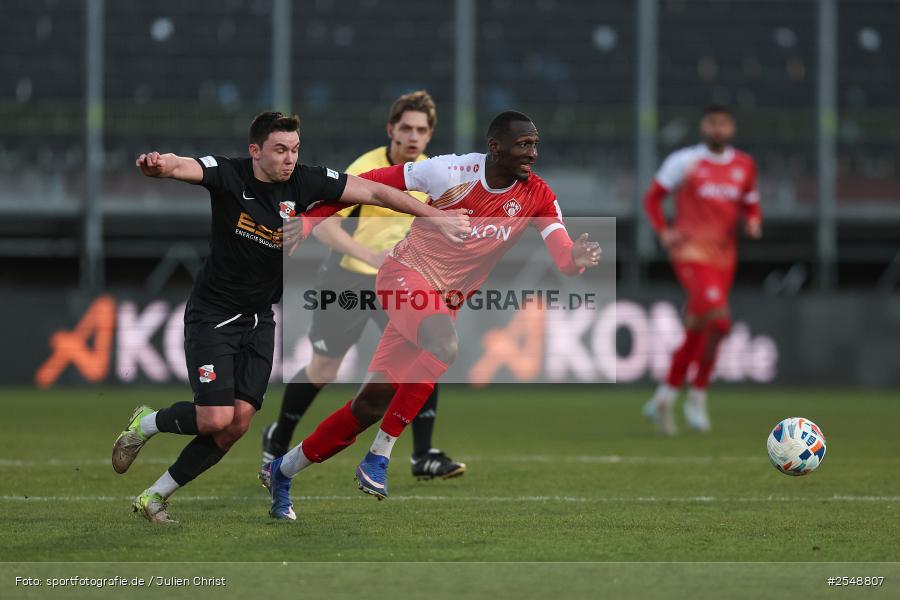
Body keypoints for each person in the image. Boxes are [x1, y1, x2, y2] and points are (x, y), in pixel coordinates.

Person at [111, 111, 469, 523]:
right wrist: (159, 167)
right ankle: (146, 423)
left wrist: (435, 217)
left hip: (261, 317)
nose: (289, 159)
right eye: (280, 150)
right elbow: (182, 165)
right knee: (215, 417)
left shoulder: (307, 180)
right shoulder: (229, 175)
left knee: (236, 424)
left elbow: (376, 194)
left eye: (295, 149)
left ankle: (155, 496)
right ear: (255, 150)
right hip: (213, 313)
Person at [264, 111, 602, 520]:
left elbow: (563, 254)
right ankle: (379, 457)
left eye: (535, 144)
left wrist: (577, 260)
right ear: (495, 147)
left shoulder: (540, 196)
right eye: (524, 144)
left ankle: (282, 470)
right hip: (403, 276)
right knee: (444, 345)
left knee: (368, 407)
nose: (533, 152)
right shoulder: (448, 171)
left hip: (442, 301)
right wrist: (312, 216)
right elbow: (366, 185)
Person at [260, 91, 465, 484]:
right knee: (324, 368)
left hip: (401, 283)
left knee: (428, 346)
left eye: (421, 130)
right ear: (391, 129)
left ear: (430, 135)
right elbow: (327, 222)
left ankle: (423, 455)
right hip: (348, 277)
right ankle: (278, 436)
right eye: (405, 127)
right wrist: (368, 256)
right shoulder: (367, 167)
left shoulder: (433, 174)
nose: (413, 136)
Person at [641, 104, 762, 435]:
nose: (718, 129)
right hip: (691, 253)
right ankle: (697, 394)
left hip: (725, 257)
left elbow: (750, 203)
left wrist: (753, 221)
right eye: (713, 123)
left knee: (700, 328)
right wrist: (664, 231)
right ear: (704, 126)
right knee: (720, 320)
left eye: (724, 123)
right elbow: (652, 199)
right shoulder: (685, 162)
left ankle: (665, 398)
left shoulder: (744, 165)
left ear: (731, 128)